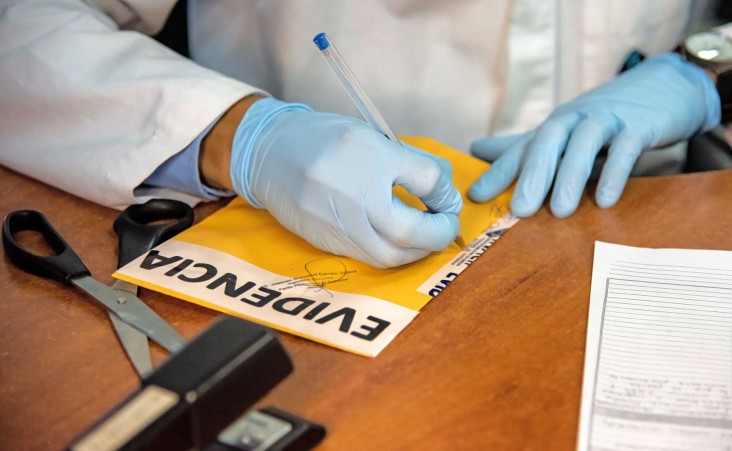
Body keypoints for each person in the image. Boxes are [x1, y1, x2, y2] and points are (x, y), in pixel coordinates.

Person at [0, 0, 722, 268]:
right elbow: (23, 25)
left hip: (638, 228)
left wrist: (708, 67)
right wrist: (241, 137)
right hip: (301, 245)